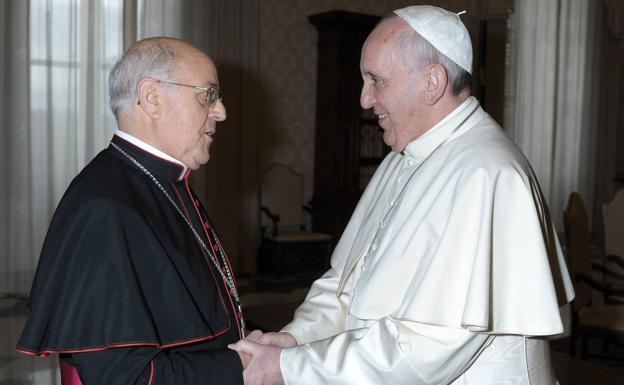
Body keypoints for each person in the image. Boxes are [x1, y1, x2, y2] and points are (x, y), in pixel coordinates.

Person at [230, 5, 574, 385]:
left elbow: (425, 349)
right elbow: (346, 284)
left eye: (376, 80)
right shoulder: (403, 156)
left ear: (432, 82)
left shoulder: (487, 174)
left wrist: (288, 367)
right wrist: (295, 338)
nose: (364, 99)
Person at [17, 37, 251, 385]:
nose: (221, 111)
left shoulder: (163, 184)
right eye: (208, 94)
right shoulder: (105, 208)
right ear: (152, 98)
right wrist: (244, 369)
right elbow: (125, 377)